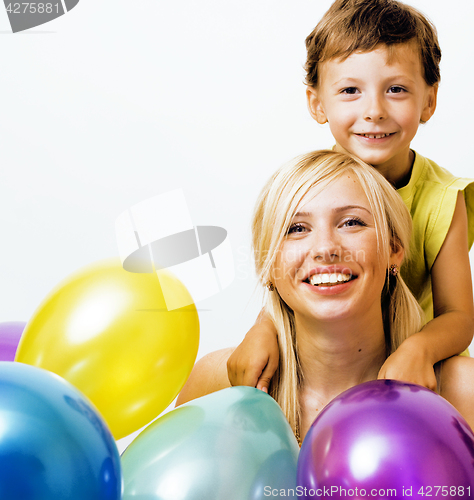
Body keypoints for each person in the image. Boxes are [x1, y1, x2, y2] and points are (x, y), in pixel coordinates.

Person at [227, 0, 474, 393]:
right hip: (324, 365)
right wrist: (263, 327)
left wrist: (420, 350)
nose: (373, 111)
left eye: (395, 89)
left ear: (429, 100)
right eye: (349, 90)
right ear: (316, 102)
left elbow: (459, 315)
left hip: (406, 373)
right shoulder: (306, 186)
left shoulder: (443, 197)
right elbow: (287, 275)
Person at [177, 150, 474, 443]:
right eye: (296, 228)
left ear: (394, 251)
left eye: (351, 222)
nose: (325, 248)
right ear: (267, 266)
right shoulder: (215, 387)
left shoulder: (463, 392)